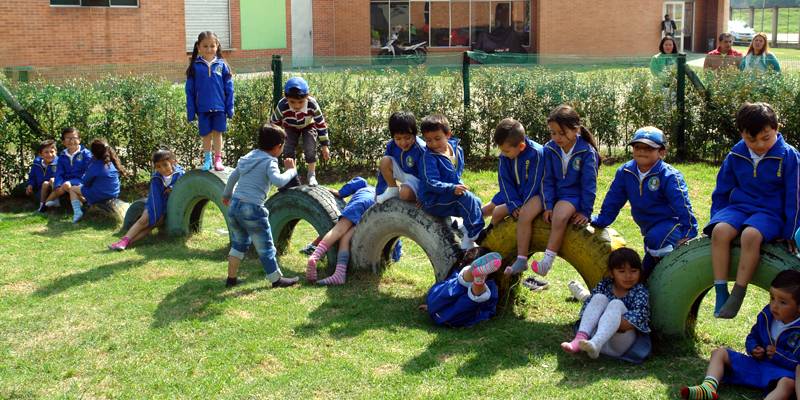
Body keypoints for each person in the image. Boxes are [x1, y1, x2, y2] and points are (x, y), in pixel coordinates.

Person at [706, 102, 799, 319]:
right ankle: (721, 292)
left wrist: (790, 232)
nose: (759, 144)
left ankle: (738, 293)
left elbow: (796, 197)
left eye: (766, 138)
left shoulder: (789, 156)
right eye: (751, 139)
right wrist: (714, 218)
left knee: (750, 235)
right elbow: (722, 188)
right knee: (719, 231)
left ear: (777, 128)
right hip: (739, 207)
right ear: (741, 134)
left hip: (770, 212)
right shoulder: (736, 154)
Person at [591, 127, 697, 277]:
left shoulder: (668, 175)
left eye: (649, 148)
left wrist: (688, 232)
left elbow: (682, 205)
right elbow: (614, 199)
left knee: (654, 245)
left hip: (673, 225)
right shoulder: (626, 171)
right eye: (638, 147)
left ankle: (644, 278)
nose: (642, 151)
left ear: (662, 153)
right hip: (649, 228)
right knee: (653, 244)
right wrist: (602, 219)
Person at [680, 270, 800, 400]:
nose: (774, 306)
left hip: (782, 373)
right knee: (719, 353)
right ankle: (708, 387)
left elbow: (797, 363)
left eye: (783, 302)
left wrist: (778, 355)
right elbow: (754, 335)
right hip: (757, 365)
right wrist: (753, 347)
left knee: (788, 384)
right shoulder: (767, 315)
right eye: (772, 298)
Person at [221, 124, 299, 289]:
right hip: (252, 209)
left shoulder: (249, 157)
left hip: (235, 205)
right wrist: (292, 171)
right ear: (278, 147)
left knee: (239, 243)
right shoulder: (270, 161)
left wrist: (227, 196)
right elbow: (278, 181)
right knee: (265, 247)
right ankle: (276, 280)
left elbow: (233, 177)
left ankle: (231, 278)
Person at [532, 105, 599, 276]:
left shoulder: (586, 151)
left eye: (562, 133)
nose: (557, 137)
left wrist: (585, 210)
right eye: (553, 133)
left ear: (575, 130)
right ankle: (520, 258)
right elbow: (546, 179)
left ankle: (546, 263)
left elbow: (589, 184)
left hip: (572, 196)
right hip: (554, 195)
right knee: (527, 211)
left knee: (560, 217)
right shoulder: (549, 148)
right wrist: (548, 205)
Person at [483, 119, 547, 288]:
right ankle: (486, 240)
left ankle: (521, 258)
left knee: (512, 212)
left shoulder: (537, 153)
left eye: (506, 150)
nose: (503, 154)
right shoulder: (506, 156)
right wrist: (513, 204)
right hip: (515, 194)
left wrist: (519, 205)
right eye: (501, 150)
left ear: (521, 147)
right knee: (494, 211)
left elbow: (534, 184)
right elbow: (504, 181)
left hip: (536, 195)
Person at [561, 248, 652, 363]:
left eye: (633, 271)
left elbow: (639, 319)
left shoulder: (639, 291)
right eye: (622, 271)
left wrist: (607, 321)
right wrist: (605, 320)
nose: (628, 275)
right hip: (596, 338)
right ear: (611, 273)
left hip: (621, 343)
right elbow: (588, 310)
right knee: (599, 298)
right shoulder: (604, 285)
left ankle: (596, 343)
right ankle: (580, 340)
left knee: (616, 304)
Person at [417, 114, 485, 249]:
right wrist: (452, 188)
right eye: (428, 140)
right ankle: (477, 233)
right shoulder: (428, 157)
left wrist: (456, 187)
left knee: (476, 202)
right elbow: (430, 182)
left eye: (437, 139)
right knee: (466, 199)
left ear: (448, 135)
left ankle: (466, 239)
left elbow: (455, 175)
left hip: (446, 195)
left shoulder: (457, 151)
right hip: (433, 200)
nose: (433, 144)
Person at [108, 146, 185, 251]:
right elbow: (155, 198)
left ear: (172, 163)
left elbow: (183, 186)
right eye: (158, 166)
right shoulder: (156, 178)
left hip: (167, 209)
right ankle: (124, 240)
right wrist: (155, 215)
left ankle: (126, 243)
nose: (162, 169)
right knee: (143, 221)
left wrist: (172, 188)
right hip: (155, 206)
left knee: (149, 227)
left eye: (165, 165)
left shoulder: (180, 174)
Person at [306, 177, 376, 285]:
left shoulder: (364, 186)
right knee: (346, 237)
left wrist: (341, 192)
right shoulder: (378, 191)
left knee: (339, 231)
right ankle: (339, 274)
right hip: (376, 208)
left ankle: (315, 256)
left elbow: (359, 181)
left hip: (362, 201)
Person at [185, 30, 234, 171]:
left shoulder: (222, 65)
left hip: (219, 108)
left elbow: (230, 89)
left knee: (217, 133)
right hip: (203, 108)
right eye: (205, 46)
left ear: (217, 46)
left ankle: (218, 159)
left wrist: (229, 108)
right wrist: (191, 111)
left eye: (212, 46)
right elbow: (190, 91)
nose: (209, 49)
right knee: (205, 134)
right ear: (198, 47)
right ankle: (208, 160)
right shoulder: (194, 66)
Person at [270, 76, 330, 189]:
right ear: (285, 97)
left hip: (308, 126)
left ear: (307, 96)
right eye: (292, 102)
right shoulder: (282, 106)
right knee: (287, 149)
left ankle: (311, 175)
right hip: (290, 127)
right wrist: (273, 141)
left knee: (310, 147)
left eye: (301, 102)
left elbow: (321, 124)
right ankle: (291, 178)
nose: (297, 106)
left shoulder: (312, 105)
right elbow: (273, 124)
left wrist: (324, 146)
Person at [419, 247, 502, 327]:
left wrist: (433, 306)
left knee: (459, 288)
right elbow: (490, 308)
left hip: (438, 301)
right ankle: (477, 280)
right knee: (472, 299)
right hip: (448, 312)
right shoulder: (491, 285)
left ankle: (472, 274)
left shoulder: (457, 275)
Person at [69, 139, 129, 223]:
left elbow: (86, 182)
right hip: (113, 194)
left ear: (93, 153)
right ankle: (86, 205)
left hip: (99, 195)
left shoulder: (94, 166)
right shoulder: (111, 163)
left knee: (72, 189)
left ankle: (77, 212)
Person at [375, 110, 426, 204]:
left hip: (417, 178)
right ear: (393, 136)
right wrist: (379, 192)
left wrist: (423, 196)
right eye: (398, 138)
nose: (403, 143)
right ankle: (393, 190)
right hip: (402, 173)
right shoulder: (391, 145)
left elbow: (425, 175)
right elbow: (383, 170)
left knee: (405, 194)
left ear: (414, 133)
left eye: (407, 138)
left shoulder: (421, 149)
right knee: (384, 161)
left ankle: (414, 193)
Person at [44, 127, 92, 209]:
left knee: (65, 185)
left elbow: (88, 171)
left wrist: (83, 182)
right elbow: (59, 172)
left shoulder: (86, 154)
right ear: (63, 142)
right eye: (67, 139)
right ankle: (47, 204)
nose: (71, 141)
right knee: (55, 183)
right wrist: (58, 184)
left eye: (74, 138)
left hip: (80, 180)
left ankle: (85, 202)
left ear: (79, 139)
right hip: (66, 180)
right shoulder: (62, 155)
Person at [26, 140, 58, 212]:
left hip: (57, 187)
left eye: (52, 152)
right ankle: (42, 206)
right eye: (46, 152)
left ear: (56, 153)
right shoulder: (36, 165)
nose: (49, 154)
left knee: (52, 180)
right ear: (40, 155)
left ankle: (56, 199)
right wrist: (30, 184)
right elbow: (32, 177)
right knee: (45, 184)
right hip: (43, 190)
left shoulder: (59, 164)